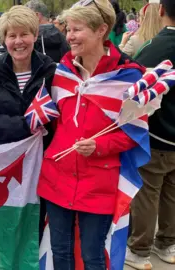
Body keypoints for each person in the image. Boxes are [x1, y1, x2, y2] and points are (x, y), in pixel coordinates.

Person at [37, 1, 146, 269]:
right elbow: (51, 122)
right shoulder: (61, 73)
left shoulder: (128, 77)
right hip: (57, 176)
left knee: (93, 255)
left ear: (102, 30)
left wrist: (99, 145)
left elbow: (135, 135)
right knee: (59, 252)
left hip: (99, 180)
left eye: (78, 29)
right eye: (68, 30)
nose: (70, 36)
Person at [125, 0, 175, 268]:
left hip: (158, 135)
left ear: (161, 11)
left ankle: (139, 250)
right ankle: (167, 243)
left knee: (147, 194)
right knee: (171, 194)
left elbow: (133, 80)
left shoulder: (156, 46)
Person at [0, 5, 56, 145]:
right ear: (4, 39)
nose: (18, 41)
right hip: (7, 158)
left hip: (44, 157)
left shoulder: (51, 73)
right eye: (12, 36)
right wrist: (25, 124)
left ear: (35, 35)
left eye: (24, 34)